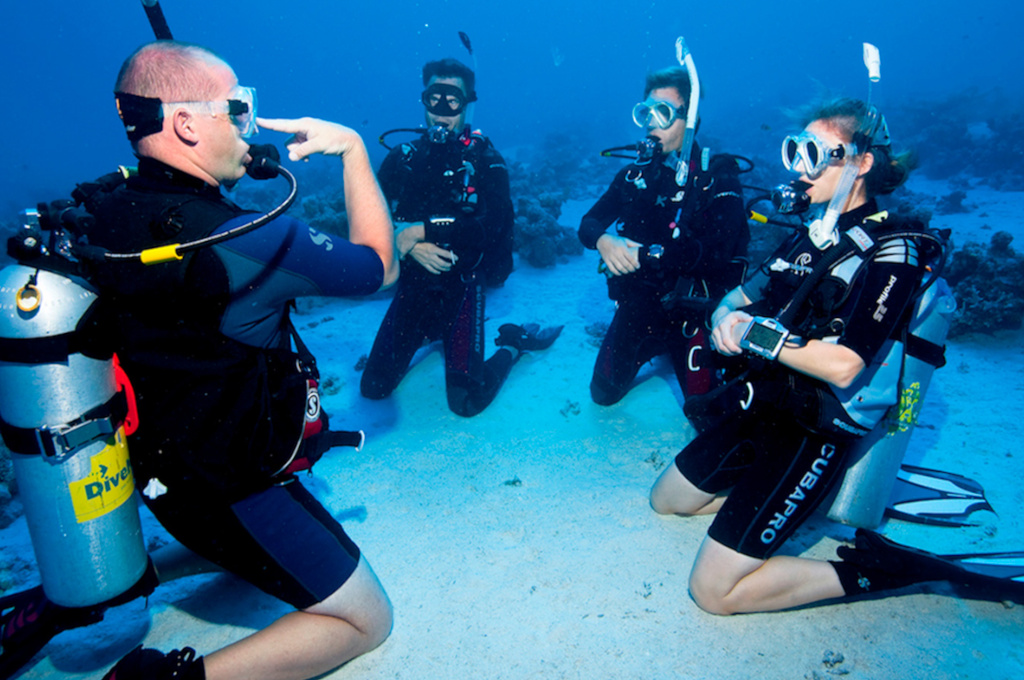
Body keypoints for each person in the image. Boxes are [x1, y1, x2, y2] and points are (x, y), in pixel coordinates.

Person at [3, 41, 398, 680]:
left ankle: (102, 584)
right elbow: (379, 267)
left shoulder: (104, 212)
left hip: (156, 480)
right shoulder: (248, 239)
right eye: (237, 109)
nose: (249, 127)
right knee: (367, 620)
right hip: (231, 490)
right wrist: (352, 147)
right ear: (185, 123)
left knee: (240, 552)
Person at [649, 97, 940, 614]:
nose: (800, 168)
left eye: (815, 154)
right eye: (796, 151)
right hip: (766, 404)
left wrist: (754, 335)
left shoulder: (895, 251)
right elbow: (738, 299)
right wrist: (723, 322)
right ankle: (777, 503)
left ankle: (881, 571)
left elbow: (847, 365)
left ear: (861, 162)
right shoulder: (811, 236)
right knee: (666, 501)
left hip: (814, 429)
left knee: (714, 593)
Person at [360, 58, 560, 417]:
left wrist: (419, 231)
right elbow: (370, 219)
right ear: (423, 101)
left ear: (467, 105)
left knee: (466, 402)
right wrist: (406, 243)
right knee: (373, 388)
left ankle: (513, 344)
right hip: (414, 286)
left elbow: (491, 227)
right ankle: (432, 333)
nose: (442, 110)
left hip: (463, 287)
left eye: (453, 100)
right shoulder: (402, 159)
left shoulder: (486, 161)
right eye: (433, 99)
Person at [578, 66, 749, 408]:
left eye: (664, 113)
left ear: (690, 119)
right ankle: (655, 347)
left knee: (706, 413)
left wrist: (645, 255)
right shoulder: (633, 175)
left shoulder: (717, 175)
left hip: (693, 311)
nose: (652, 123)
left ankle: (679, 350)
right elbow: (589, 223)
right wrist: (604, 242)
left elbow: (720, 250)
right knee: (602, 394)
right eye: (646, 113)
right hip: (639, 304)